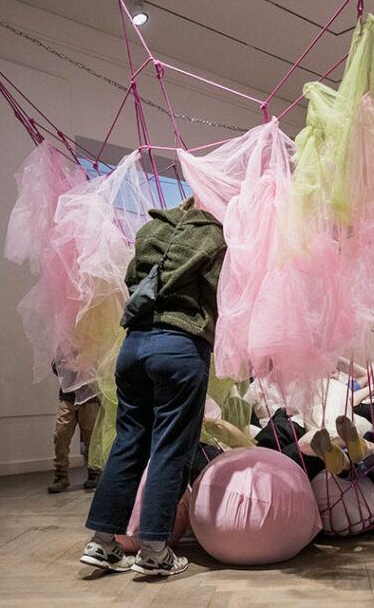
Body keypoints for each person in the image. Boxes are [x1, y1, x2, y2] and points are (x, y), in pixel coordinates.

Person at [80, 197, 226, 576]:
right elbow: (220, 292)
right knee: (171, 447)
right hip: (180, 346)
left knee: (128, 443)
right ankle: (155, 551)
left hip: (134, 346)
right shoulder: (213, 235)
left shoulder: (149, 230)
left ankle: (102, 542)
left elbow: (133, 279)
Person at [48, 358, 101, 494]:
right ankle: (61, 475)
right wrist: (66, 364)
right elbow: (55, 366)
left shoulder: (94, 348)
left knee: (91, 437)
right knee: (61, 434)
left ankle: (94, 473)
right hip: (68, 397)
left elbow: (102, 368)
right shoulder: (64, 348)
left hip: (90, 398)